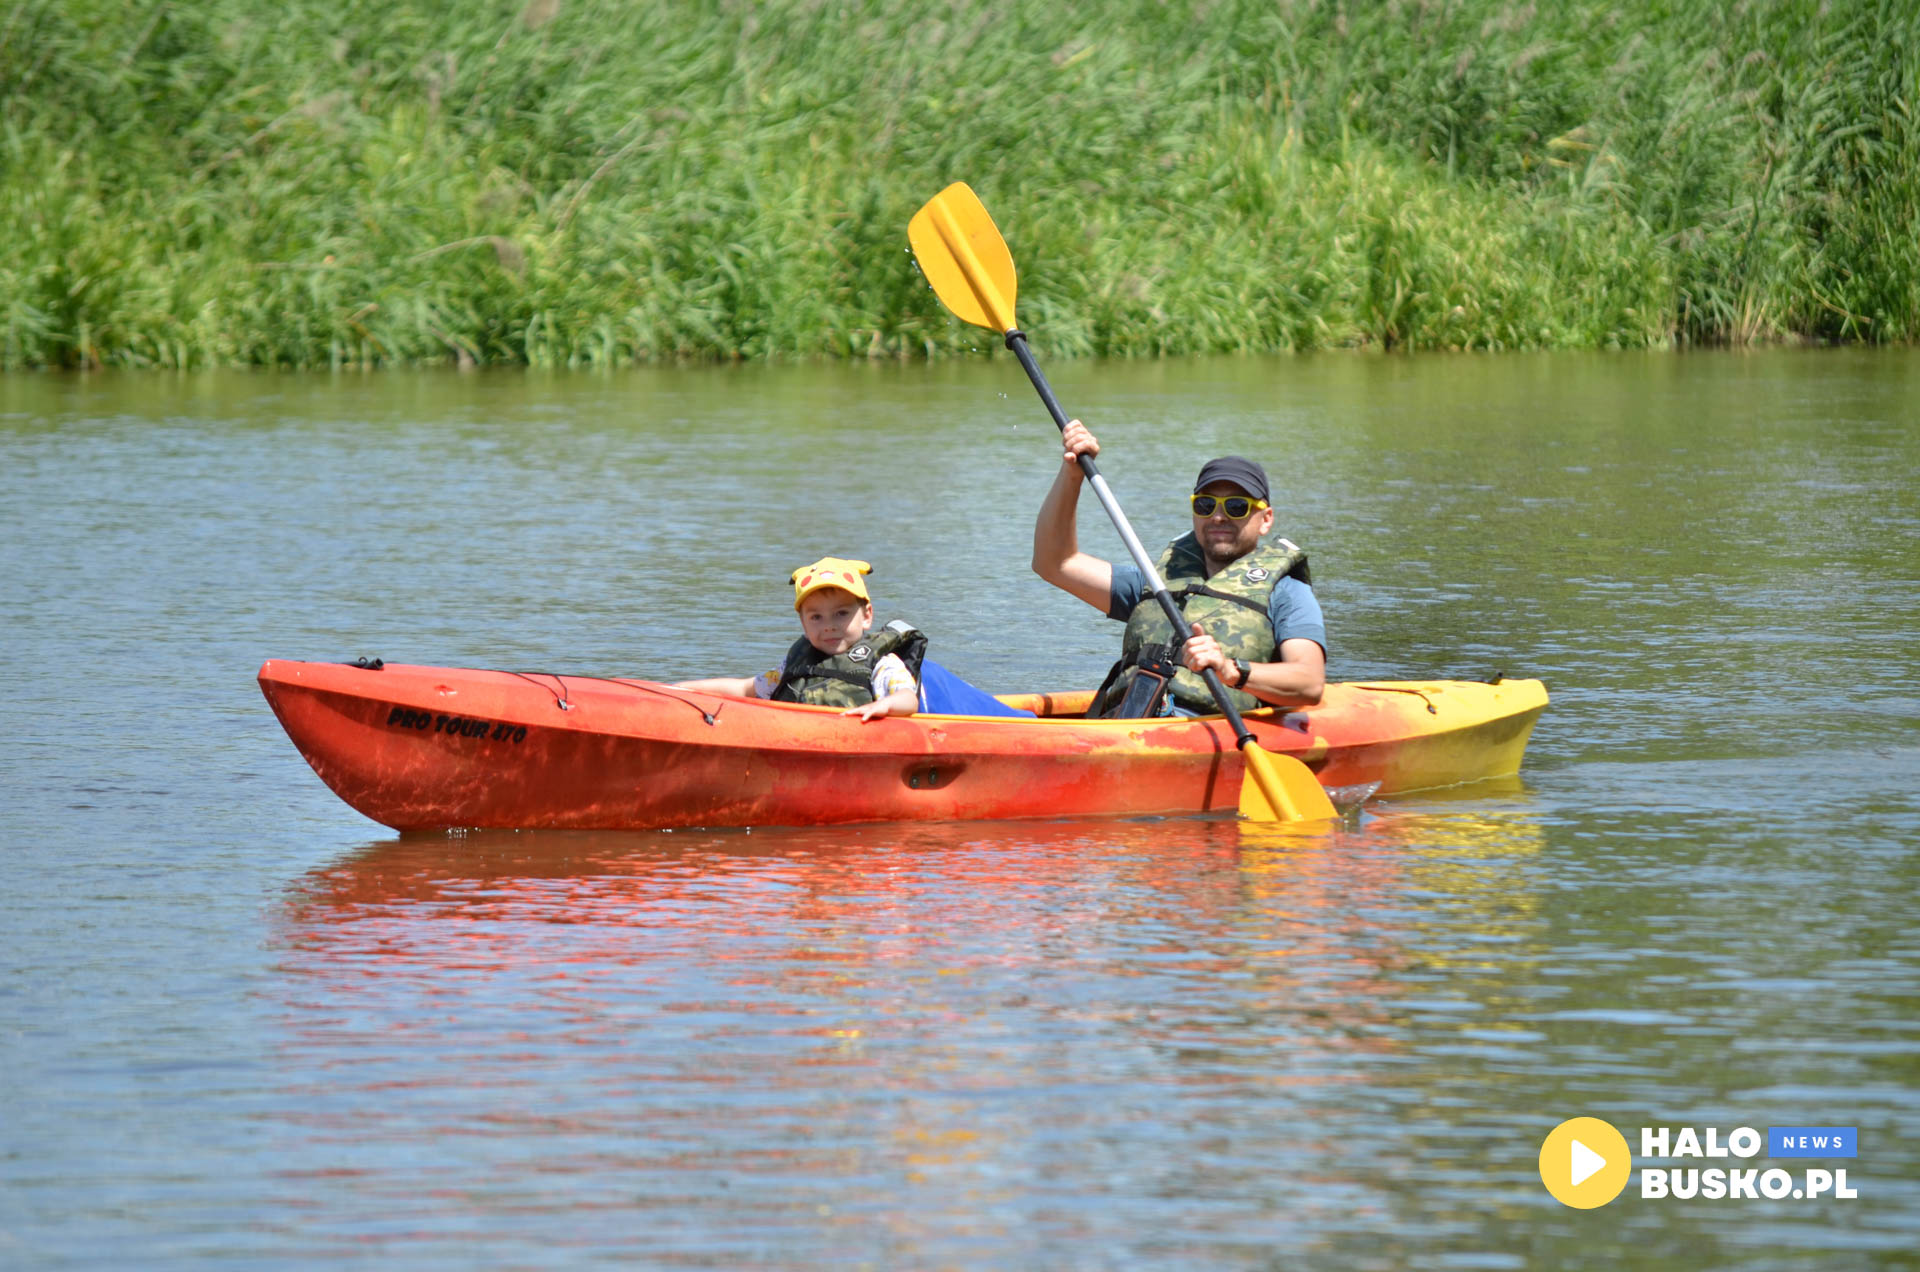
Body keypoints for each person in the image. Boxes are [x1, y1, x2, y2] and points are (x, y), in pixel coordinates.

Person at [1031, 420, 1326, 718]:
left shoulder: (1287, 592)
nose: (1219, 517)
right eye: (1205, 505)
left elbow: (1309, 682)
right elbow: (1055, 563)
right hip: (1127, 726)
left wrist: (1229, 669)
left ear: (1266, 519)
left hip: (1211, 733)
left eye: (1237, 506)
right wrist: (1072, 474)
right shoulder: (1156, 584)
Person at [675, 557, 924, 722]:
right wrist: (678, 689)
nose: (829, 626)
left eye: (841, 613)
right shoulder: (793, 664)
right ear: (803, 623)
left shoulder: (883, 664)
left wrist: (883, 706)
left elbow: (907, 698)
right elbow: (744, 689)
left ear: (867, 615)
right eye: (816, 617)